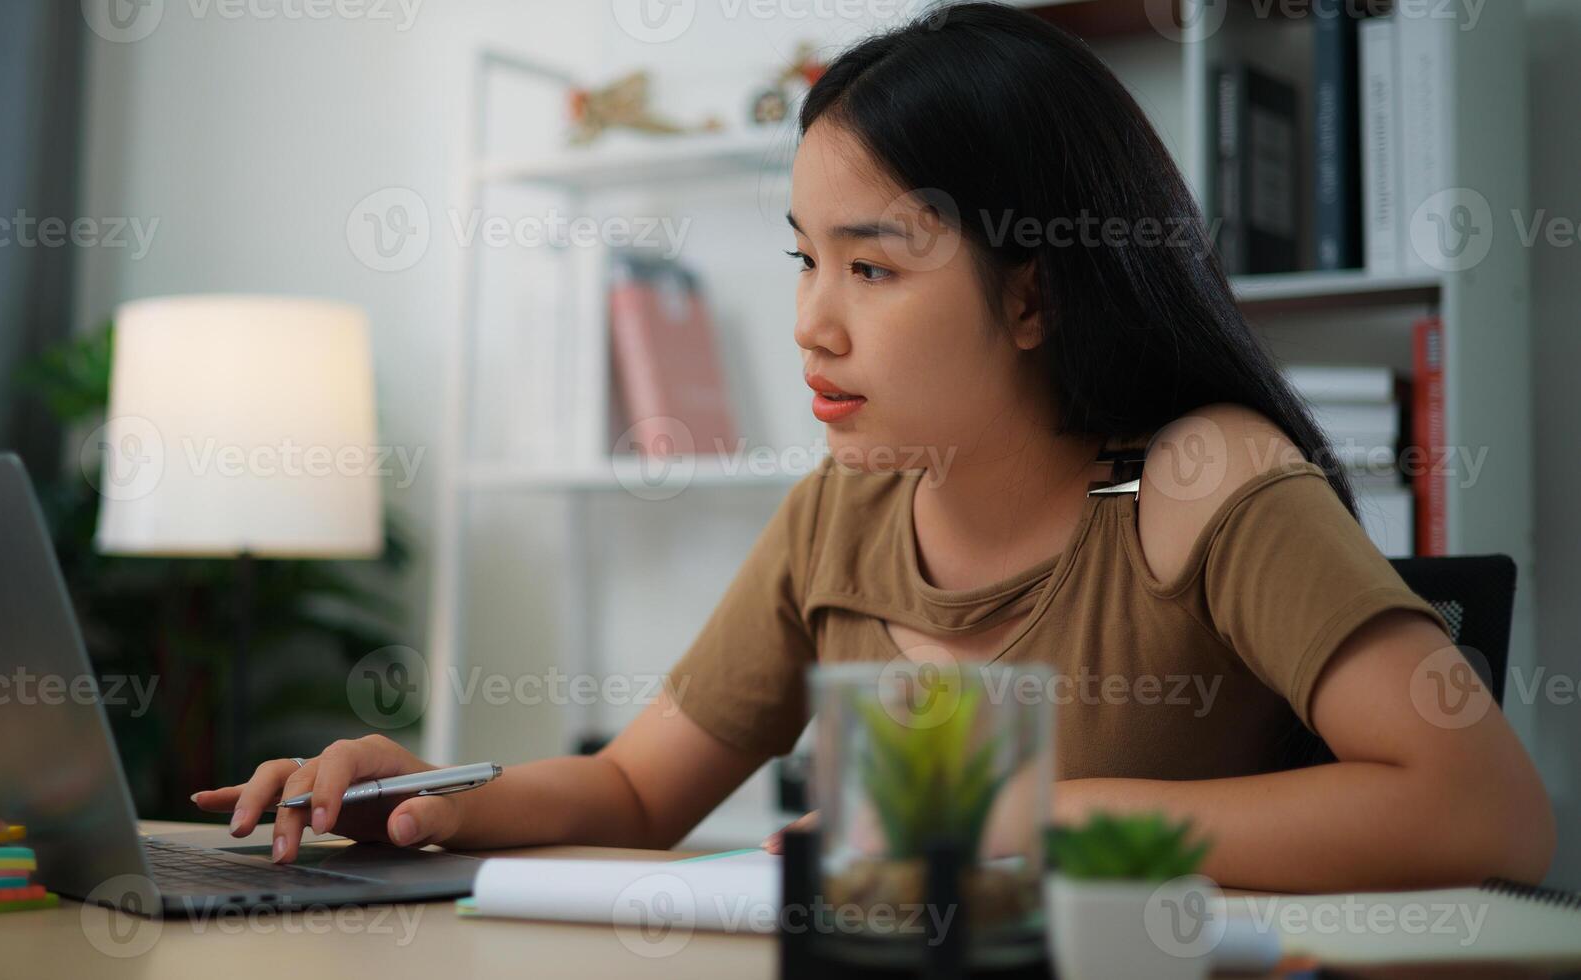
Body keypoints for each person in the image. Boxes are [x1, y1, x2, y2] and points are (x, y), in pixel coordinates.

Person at [192, 2, 1553, 892]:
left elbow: (1488, 815)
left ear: (1034, 292)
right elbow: (635, 787)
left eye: (875, 269)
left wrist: (1033, 828)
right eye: (805, 263)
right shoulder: (839, 509)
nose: (813, 328)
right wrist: (428, 795)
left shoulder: (1199, 482)